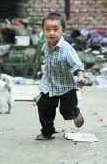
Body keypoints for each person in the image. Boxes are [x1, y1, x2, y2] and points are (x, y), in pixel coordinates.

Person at [35, 12, 85, 140]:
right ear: (43, 31)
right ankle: (47, 132)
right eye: (48, 30)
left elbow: (77, 65)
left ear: (63, 31)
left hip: (66, 85)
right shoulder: (46, 47)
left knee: (66, 111)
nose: (52, 33)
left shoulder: (66, 49)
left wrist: (80, 77)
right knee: (44, 106)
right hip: (49, 83)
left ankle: (75, 114)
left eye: (56, 30)